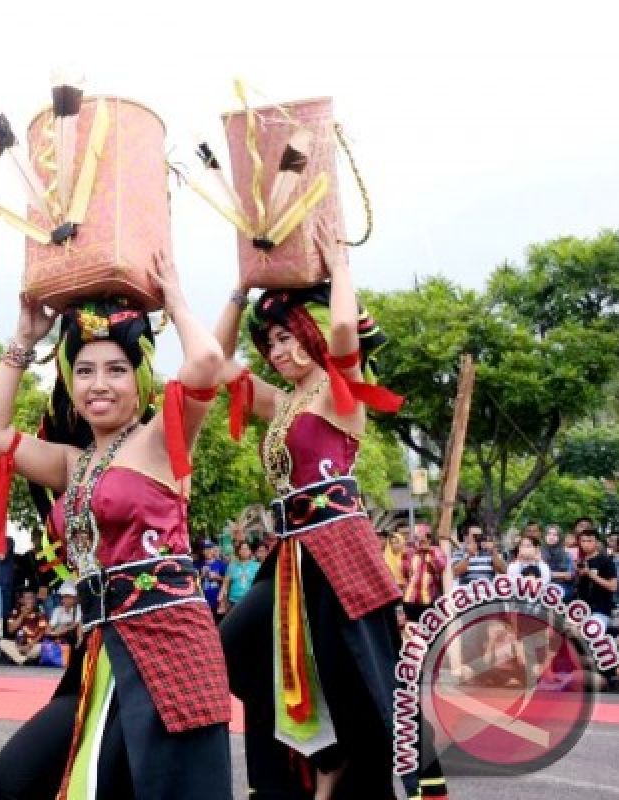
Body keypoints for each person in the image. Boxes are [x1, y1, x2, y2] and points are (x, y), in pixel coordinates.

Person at [0, 251, 233, 797]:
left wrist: (175, 299)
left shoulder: (162, 437)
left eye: (116, 369)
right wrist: (25, 338)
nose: (99, 384)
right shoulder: (73, 462)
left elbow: (208, 362)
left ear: (139, 377)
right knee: (12, 781)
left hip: (168, 651)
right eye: (85, 370)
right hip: (101, 652)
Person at [215, 265, 419, 799]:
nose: (277, 351)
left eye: (287, 336)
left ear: (313, 330)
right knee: (233, 652)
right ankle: (322, 753)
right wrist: (238, 291)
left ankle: (341, 761)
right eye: (271, 342)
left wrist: (340, 263)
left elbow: (346, 335)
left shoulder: (339, 390)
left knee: (350, 672)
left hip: (337, 551)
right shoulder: (283, 404)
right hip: (288, 557)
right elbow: (214, 367)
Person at [575, 530, 618, 630]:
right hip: (581, 609)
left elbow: (613, 586)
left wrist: (589, 574)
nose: (586, 544)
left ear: (597, 542)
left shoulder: (606, 561)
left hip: (601, 610)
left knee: (591, 631)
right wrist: (579, 575)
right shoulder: (581, 561)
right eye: (583, 541)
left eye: (590, 541)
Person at [401, 530, 448, 623]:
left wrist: (430, 551)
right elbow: (405, 572)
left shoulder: (436, 551)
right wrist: (405, 555)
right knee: (412, 629)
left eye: (423, 539)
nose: (420, 542)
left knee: (427, 629)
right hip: (410, 599)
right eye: (418, 539)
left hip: (428, 600)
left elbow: (440, 566)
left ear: (429, 539)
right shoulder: (412, 553)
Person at [0, 591, 48, 666]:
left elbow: (42, 632)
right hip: (18, 646)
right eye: (26, 598)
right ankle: (23, 660)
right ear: (21, 600)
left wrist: (30, 645)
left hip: (32, 646)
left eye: (31, 598)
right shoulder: (15, 611)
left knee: (43, 646)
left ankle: (19, 659)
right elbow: (10, 630)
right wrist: (22, 615)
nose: (29, 601)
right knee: (2, 642)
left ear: (34, 600)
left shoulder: (40, 612)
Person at [220, 540, 259, 615]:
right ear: (238, 551)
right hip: (234, 601)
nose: (244, 551)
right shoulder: (232, 566)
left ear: (250, 551)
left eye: (246, 549)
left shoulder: (257, 566)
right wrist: (222, 599)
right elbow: (225, 584)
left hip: (251, 601)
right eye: (242, 549)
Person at [541, 525, 575, 601]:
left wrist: (548, 574)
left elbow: (570, 575)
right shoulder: (538, 553)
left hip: (562, 586)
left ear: (559, 537)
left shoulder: (566, 554)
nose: (551, 537)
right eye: (549, 534)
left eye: (555, 535)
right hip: (542, 586)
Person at [47, 583, 83, 649]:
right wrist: (52, 632)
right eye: (64, 598)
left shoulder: (78, 608)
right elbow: (51, 626)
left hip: (70, 635)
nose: (64, 600)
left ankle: (79, 643)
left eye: (68, 598)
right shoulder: (57, 610)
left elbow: (77, 622)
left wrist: (66, 628)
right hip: (57, 635)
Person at [199, 541, 228, 622]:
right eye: (205, 549)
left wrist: (217, 577)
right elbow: (193, 583)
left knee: (220, 624)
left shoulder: (221, 564)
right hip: (204, 602)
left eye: (209, 548)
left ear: (213, 550)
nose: (208, 551)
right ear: (202, 551)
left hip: (218, 601)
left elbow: (227, 581)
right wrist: (202, 575)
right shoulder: (198, 565)